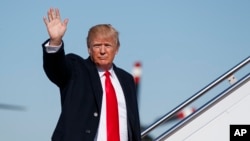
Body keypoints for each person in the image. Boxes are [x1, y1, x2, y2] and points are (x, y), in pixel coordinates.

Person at [42, 8, 141, 141]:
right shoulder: (76, 69)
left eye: (107, 45)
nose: (102, 51)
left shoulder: (127, 79)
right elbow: (55, 69)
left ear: (117, 49)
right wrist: (55, 41)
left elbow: (133, 124)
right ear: (88, 48)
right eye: (97, 45)